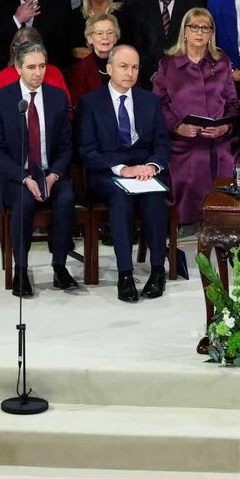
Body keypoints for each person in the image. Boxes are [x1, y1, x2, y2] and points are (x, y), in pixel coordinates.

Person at [77, 44, 172, 302]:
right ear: (109, 69)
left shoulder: (149, 100)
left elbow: (162, 143)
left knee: (154, 199)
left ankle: (157, 271)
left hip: (144, 172)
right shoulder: (91, 103)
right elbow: (88, 151)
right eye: (123, 66)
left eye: (134, 67)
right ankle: (125, 274)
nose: (129, 73)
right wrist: (123, 170)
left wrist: (151, 167)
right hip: (108, 173)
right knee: (120, 198)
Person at [0, 44, 77, 298]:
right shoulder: (2, 99)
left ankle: (59, 266)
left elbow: (67, 148)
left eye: (42, 66)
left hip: (50, 172)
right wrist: (25, 178)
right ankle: (21, 271)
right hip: (16, 175)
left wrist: (53, 175)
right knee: (24, 202)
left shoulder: (58, 97)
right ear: (17, 68)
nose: (38, 73)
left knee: (66, 198)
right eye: (31, 67)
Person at [154, 9, 240, 226]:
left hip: (219, 137)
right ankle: (186, 222)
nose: (199, 33)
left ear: (211, 33)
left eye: (205, 28)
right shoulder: (168, 63)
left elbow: (232, 102)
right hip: (182, 139)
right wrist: (178, 127)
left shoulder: (221, 62)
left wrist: (224, 128)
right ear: (184, 32)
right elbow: (158, 103)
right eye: (194, 27)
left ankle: (223, 219)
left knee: (227, 159)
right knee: (194, 160)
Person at [125, 0, 203, 82]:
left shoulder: (195, 6)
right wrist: (154, 74)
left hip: (189, 78)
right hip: (152, 82)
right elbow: (137, 47)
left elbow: (200, 44)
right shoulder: (139, 9)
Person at [68, 0, 123, 66]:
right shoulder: (75, 16)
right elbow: (76, 51)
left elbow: (125, 50)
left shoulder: (123, 15)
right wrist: (107, 55)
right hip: (85, 70)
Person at [66, 15, 120, 103]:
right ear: (90, 39)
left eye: (110, 32)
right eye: (99, 33)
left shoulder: (126, 64)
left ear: (115, 38)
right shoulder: (79, 70)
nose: (105, 37)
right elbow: (80, 107)